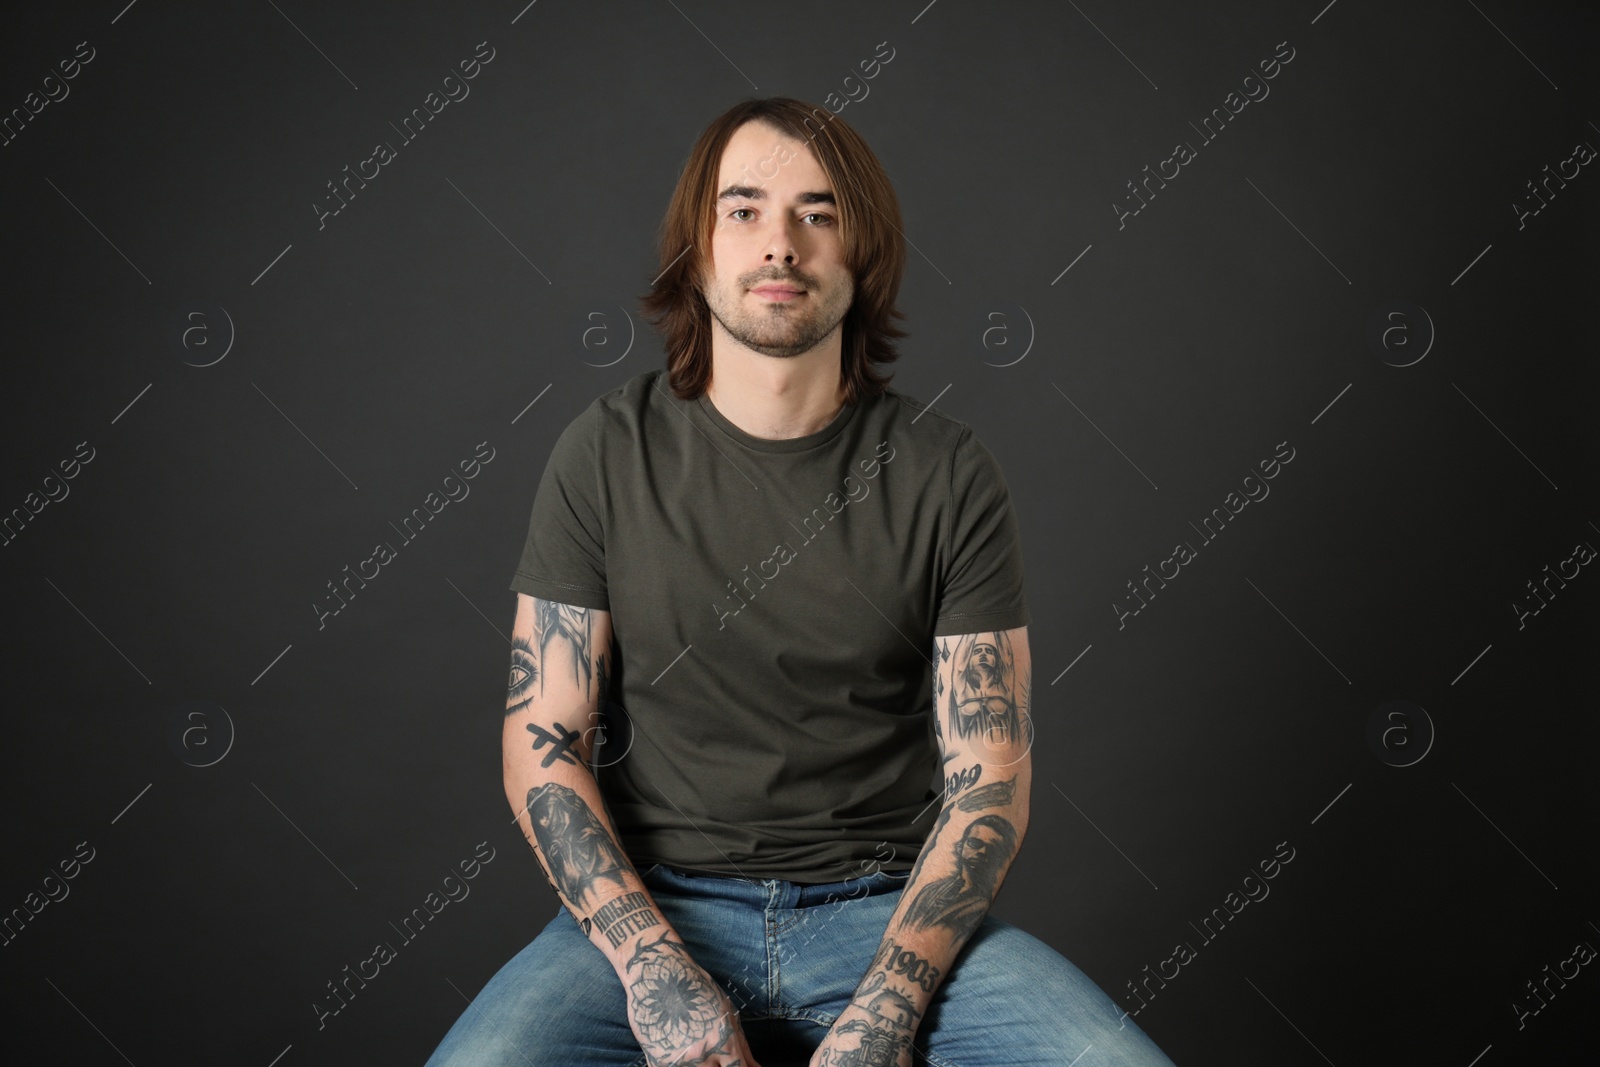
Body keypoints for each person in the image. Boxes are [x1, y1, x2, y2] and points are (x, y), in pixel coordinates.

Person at [424, 96, 1176, 1067]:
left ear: (862, 256)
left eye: (817, 214)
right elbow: (545, 742)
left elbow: (989, 779)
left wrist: (889, 1005)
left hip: (887, 911)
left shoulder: (947, 471)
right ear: (695, 252)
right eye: (742, 210)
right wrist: (654, 968)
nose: (778, 244)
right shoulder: (602, 453)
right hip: (653, 911)